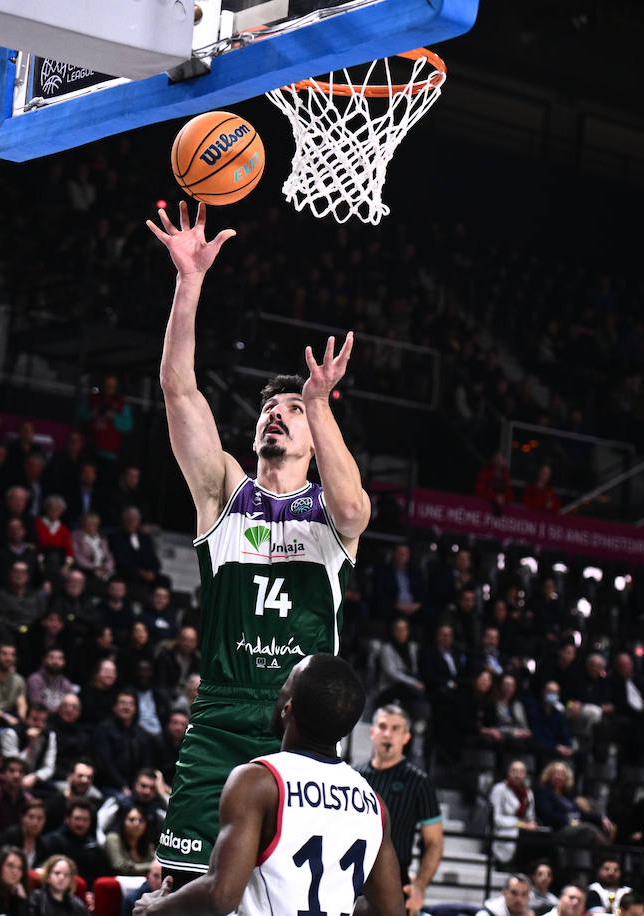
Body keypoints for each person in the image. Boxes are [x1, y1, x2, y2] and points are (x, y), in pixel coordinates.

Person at [147, 197, 370, 886]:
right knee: (179, 893)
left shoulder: (331, 516)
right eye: (271, 409)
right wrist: (189, 282)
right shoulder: (222, 494)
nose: (278, 415)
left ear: (315, 436)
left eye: (291, 412)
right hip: (218, 720)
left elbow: (355, 504)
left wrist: (319, 402)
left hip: (299, 732)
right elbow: (179, 390)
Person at [132, 654, 402, 916]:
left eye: (283, 688)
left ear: (288, 708)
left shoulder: (259, 782)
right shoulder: (374, 805)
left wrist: (156, 908)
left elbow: (220, 895)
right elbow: (390, 911)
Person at [357, 705, 443, 916]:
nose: (388, 734)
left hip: (395, 880)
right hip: (354, 875)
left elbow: (434, 843)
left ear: (406, 737)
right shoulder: (354, 775)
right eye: (383, 726)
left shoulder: (419, 782)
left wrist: (420, 886)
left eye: (396, 728)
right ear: (372, 732)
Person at [106, 803, 158, 877]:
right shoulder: (113, 838)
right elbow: (120, 868)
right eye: (131, 820)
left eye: (141, 820)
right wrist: (151, 867)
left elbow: (157, 862)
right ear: (123, 822)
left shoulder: (147, 843)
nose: (136, 824)